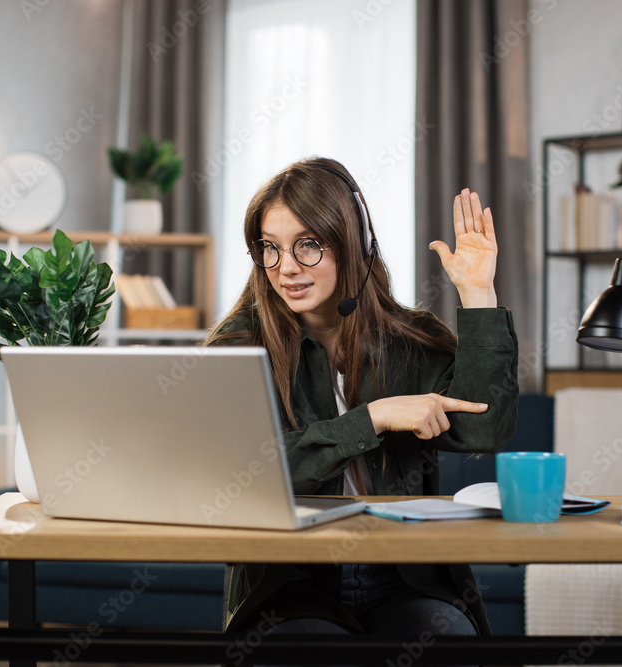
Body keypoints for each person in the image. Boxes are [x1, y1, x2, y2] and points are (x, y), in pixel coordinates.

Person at [206, 156, 519, 641]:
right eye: (270, 248)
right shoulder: (240, 345)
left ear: (355, 246)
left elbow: (484, 425)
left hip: (404, 574)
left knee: (445, 637)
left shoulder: (410, 340)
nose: (286, 267)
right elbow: (246, 473)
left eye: (308, 245)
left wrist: (477, 293)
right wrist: (371, 418)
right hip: (290, 581)